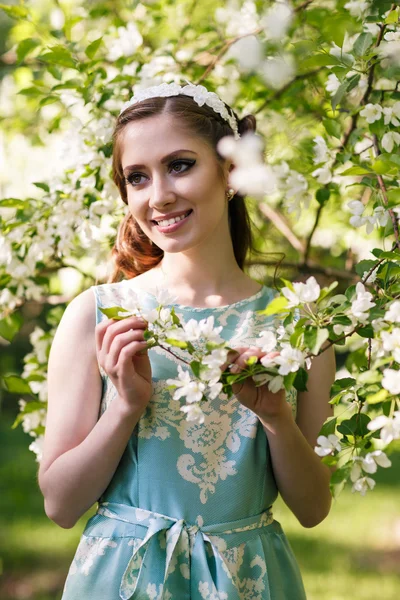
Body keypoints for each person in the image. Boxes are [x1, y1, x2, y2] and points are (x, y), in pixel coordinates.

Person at [38, 81, 336, 600]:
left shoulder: (298, 325)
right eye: (137, 177)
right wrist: (124, 408)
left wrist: (276, 418)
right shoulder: (97, 315)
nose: (159, 195)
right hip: (124, 579)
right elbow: (60, 506)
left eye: (180, 165)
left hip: (247, 578)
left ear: (232, 172)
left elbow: (313, 510)